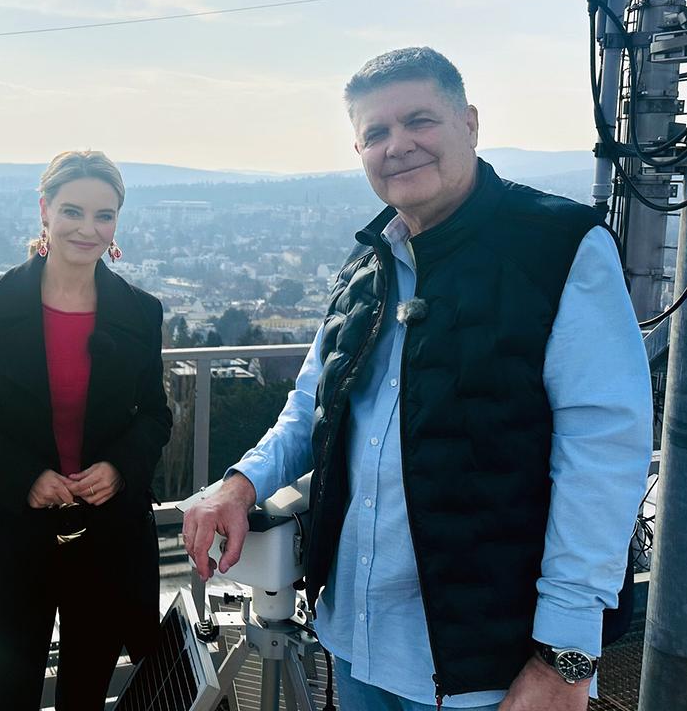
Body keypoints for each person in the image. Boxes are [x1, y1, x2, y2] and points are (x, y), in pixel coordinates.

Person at [182, 48, 652, 711]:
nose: (397, 145)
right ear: (358, 149)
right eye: (376, 133)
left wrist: (565, 658)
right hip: (356, 642)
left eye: (419, 121)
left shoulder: (558, 246)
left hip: (489, 663)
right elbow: (309, 406)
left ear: (470, 123)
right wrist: (239, 483)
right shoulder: (366, 265)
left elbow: (603, 457)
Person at [0, 149, 172, 710]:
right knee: (5, 700)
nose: (88, 229)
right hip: (11, 537)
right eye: (73, 211)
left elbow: (155, 414)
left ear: (117, 224)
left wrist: (118, 468)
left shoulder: (140, 312)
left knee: (86, 699)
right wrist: (23, 478)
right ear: (44, 211)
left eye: (104, 215)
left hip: (106, 542)